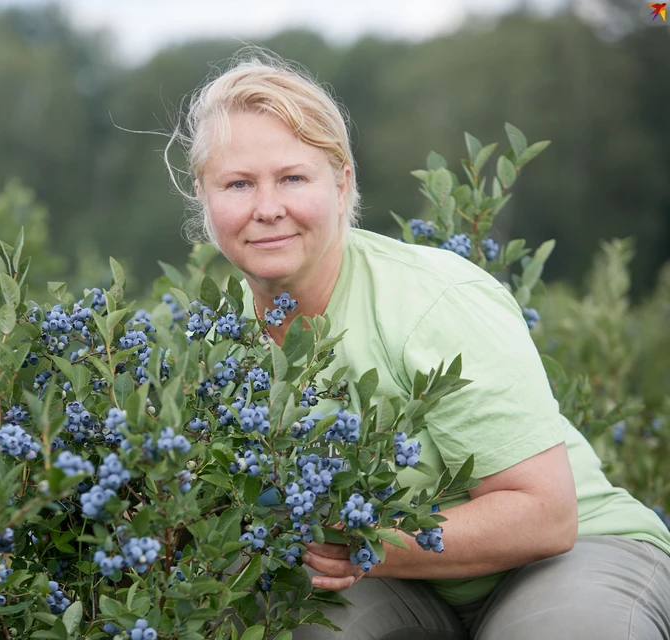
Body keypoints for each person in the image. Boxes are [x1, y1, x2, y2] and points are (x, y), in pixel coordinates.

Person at [163, 49, 670, 639]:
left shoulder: (433, 299)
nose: (268, 208)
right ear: (204, 195)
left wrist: (371, 543)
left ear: (342, 181)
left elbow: (547, 517)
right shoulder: (216, 345)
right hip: (401, 584)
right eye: (238, 184)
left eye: (293, 177)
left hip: (569, 553)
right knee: (296, 627)